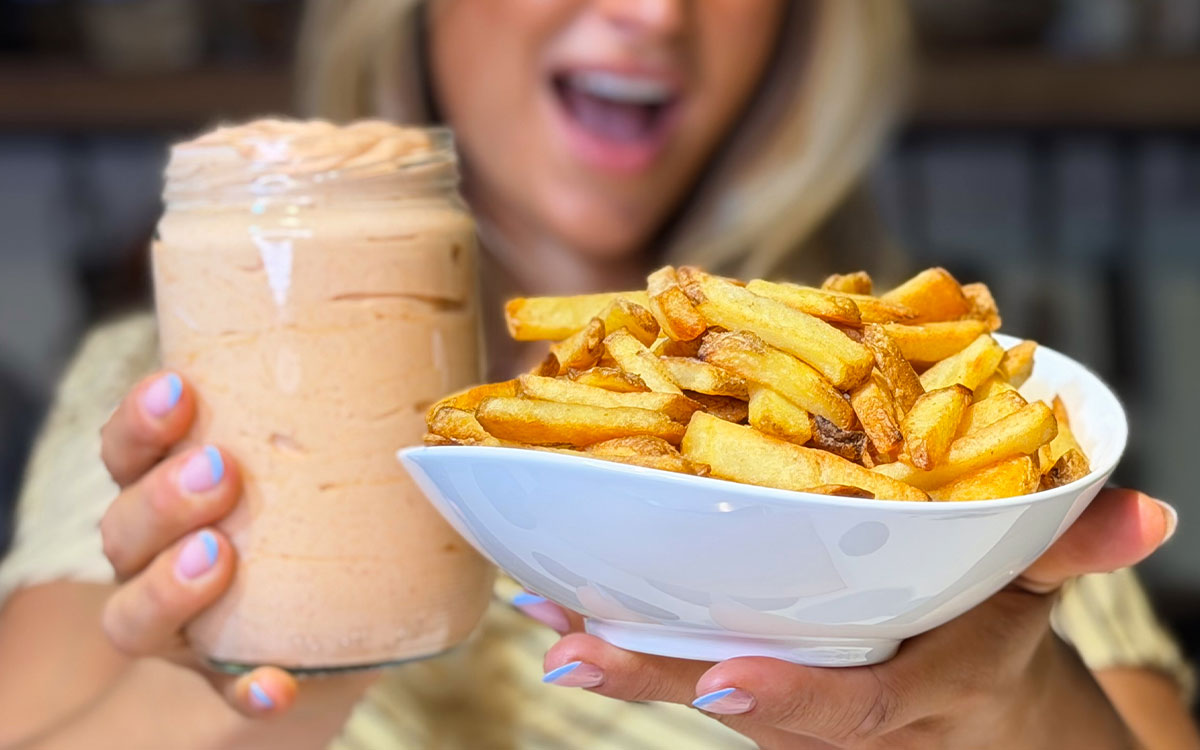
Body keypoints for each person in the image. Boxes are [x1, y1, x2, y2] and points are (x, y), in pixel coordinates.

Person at [0, 1, 1196, 748]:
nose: (652, 12)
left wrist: (1008, 708)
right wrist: (262, 682)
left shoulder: (969, 421)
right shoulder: (173, 390)